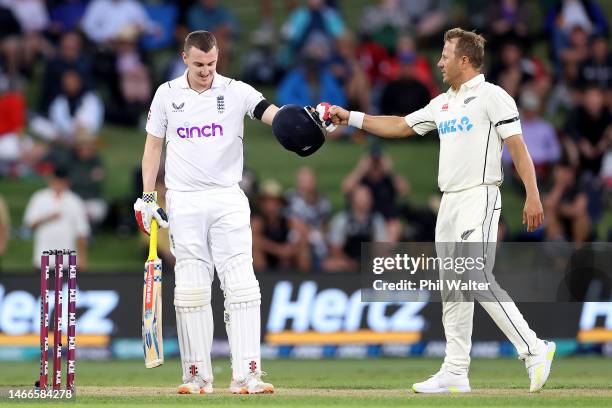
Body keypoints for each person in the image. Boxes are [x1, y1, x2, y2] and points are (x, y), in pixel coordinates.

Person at [327, 27, 555, 393]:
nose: (439, 63)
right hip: (448, 201)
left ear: (465, 60)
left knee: (474, 277)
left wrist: (533, 194)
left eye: (445, 56)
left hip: (479, 196)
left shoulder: (493, 96)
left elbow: (517, 146)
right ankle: (455, 371)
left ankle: (534, 349)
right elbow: (401, 125)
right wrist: (350, 117)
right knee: (453, 287)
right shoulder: (443, 102)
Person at [133, 30, 334, 395]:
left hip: (228, 196)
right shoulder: (166, 94)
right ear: (184, 59)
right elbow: (152, 148)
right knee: (192, 288)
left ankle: (247, 375)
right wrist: (148, 196)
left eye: (211, 63)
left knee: (241, 285)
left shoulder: (236, 90)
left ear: (218, 57)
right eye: (198, 64)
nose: (206, 71)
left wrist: (312, 118)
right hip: (185, 199)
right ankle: (196, 377)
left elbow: (275, 115)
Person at [22, 166, 90, 270]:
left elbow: (81, 232)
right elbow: (30, 224)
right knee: (44, 286)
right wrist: (47, 218)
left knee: (68, 286)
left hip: (68, 261)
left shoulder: (75, 201)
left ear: (67, 182)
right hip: (44, 259)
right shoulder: (39, 198)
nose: (59, 185)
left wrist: (82, 258)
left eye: (62, 182)